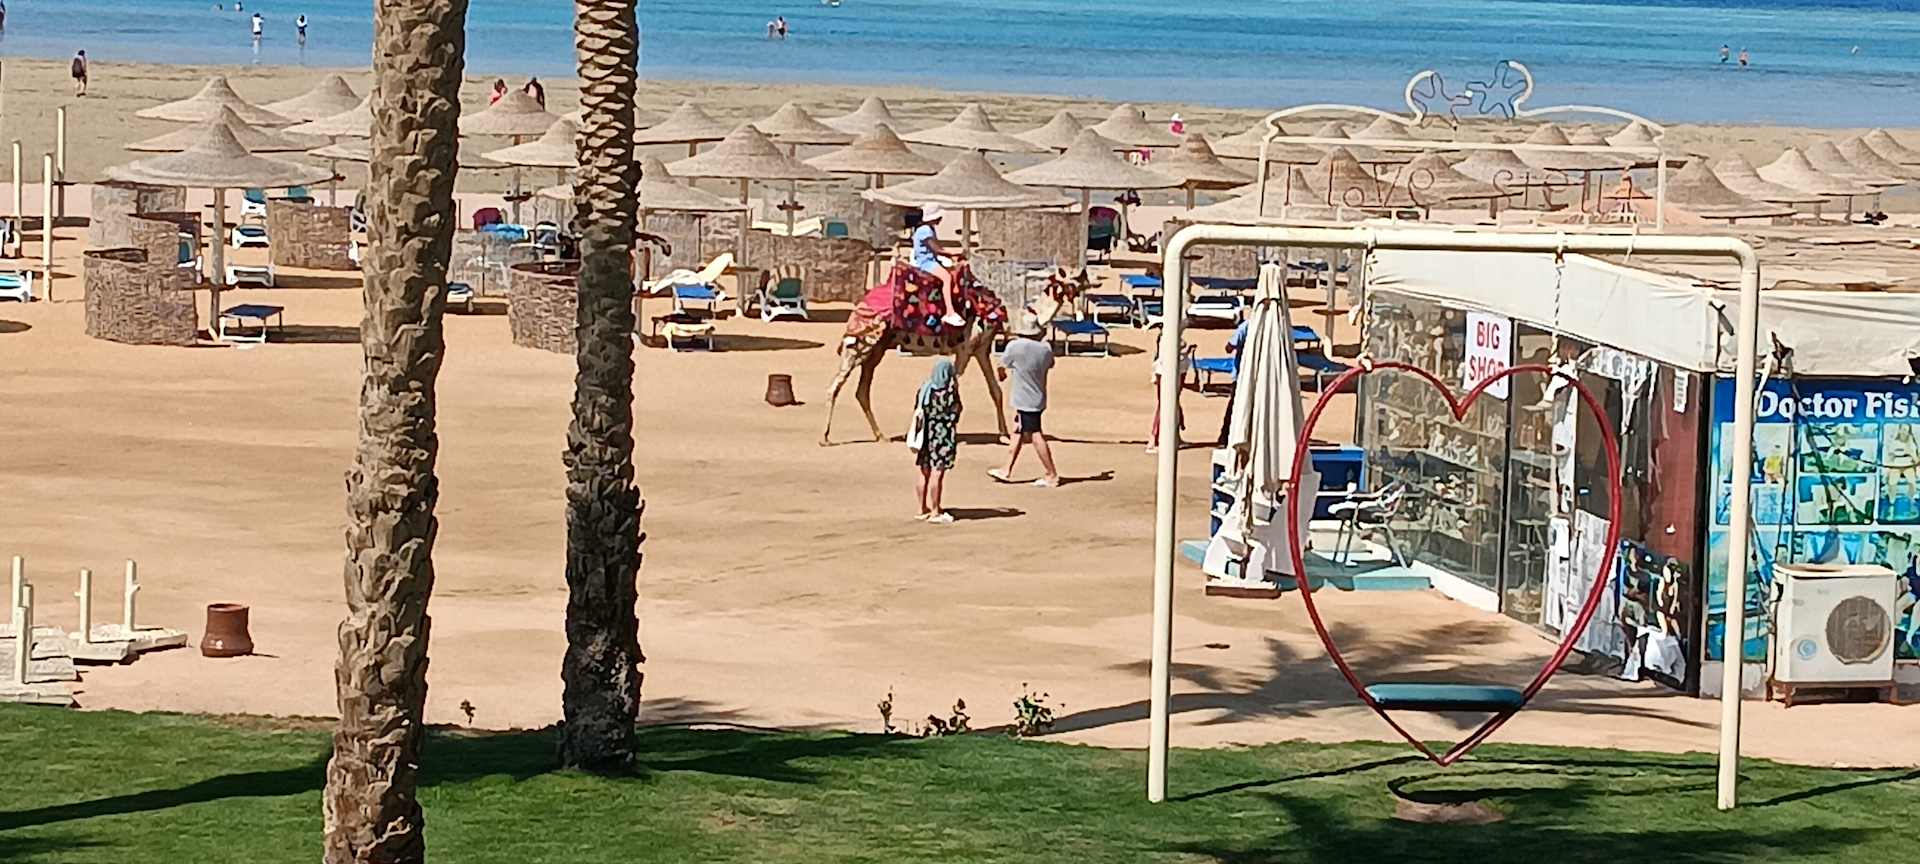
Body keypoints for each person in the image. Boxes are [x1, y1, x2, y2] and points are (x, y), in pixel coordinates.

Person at [990, 316, 1061, 487]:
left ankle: (1051, 474)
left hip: (1024, 399)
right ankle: (1006, 469)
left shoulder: (1015, 346)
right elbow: (1051, 364)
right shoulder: (1045, 349)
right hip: (1038, 397)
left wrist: (1002, 374)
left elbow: (1001, 366)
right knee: (1018, 431)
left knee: (1035, 435)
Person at [912, 358, 963, 524]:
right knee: (937, 472)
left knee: (923, 471)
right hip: (942, 436)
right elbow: (956, 412)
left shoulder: (924, 389)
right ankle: (935, 510)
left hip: (925, 434)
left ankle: (921, 508)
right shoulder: (949, 392)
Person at [911, 206, 968, 328]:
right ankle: (950, 311)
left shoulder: (929, 229)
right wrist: (954, 253)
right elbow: (937, 249)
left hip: (932, 260)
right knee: (947, 278)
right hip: (926, 262)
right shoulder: (925, 230)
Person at [1216, 310, 1250, 446]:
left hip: (1242, 375)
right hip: (1247, 375)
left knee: (1234, 407)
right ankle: (1226, 437)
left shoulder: (1246, 326)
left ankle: (1225, 438)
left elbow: (1229, 347)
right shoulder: (1251, 327)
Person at [1148, 340, 1187, 454]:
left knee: (1174, 404)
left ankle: (1175, 436)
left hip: (1179, 369)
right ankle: (1154, 439)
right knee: (1164, 405)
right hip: (1167, 371)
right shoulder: (1165, 338)